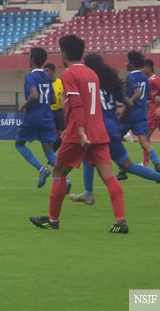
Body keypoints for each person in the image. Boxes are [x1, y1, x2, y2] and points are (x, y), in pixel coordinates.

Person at [29, 35, 128, 233]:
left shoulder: (68, 74)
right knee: (109, 177)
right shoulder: (92, 74)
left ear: (63, 54)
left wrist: (80, 131)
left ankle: (52, 220)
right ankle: (120, 222)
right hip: (98, 131)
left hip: (80, 134)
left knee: (59, 172)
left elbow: (77, 104)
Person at [68, 54, 160, 205]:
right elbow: (129, 103)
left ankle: (89, 193)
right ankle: (88, 192)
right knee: (126, 164)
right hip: (111, 127)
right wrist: (120, 120)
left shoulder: (88, 84)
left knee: (86, 158)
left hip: (96, 128)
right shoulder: (111, 82)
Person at [14, 47, 58, 188]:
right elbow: (53, 99)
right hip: (47, 117)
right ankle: (64, 179)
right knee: (49, 150)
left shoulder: (30, 76)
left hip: (33, 116)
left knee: (19, 144)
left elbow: (34, 95)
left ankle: (41, 169)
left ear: (32, 59)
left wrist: (24, 106)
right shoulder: (47, 76)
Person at [116, 51, 160, 180]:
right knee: (144, 141)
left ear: (131, 63)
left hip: (130, 114)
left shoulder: (131, 77)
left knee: (117, 140)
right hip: (142, 114)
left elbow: (137, 93)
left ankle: (121, 171)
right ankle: (156, 162)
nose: (125, 63)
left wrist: (125, 107)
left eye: (126, 61)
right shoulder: (145, 78)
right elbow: (148, 96)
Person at [43, 62, 65, 153]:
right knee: (50, 136)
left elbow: (66, 95)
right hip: (48, 112)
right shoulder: (43, 84)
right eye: (44, 71)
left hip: (59, 111)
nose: (45, 73)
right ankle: (51, 158)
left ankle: (51, 154)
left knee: (61, 136)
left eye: (47, 71)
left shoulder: (61, 82)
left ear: (53, 71)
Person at [142, 59, 160, 165]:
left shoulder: (154, 80)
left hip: (155, 112)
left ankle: (145, 164)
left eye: (142, 68)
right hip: (154, 108)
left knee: (144, 137)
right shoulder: (150, 81)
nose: (141, 70)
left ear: (148, 68)